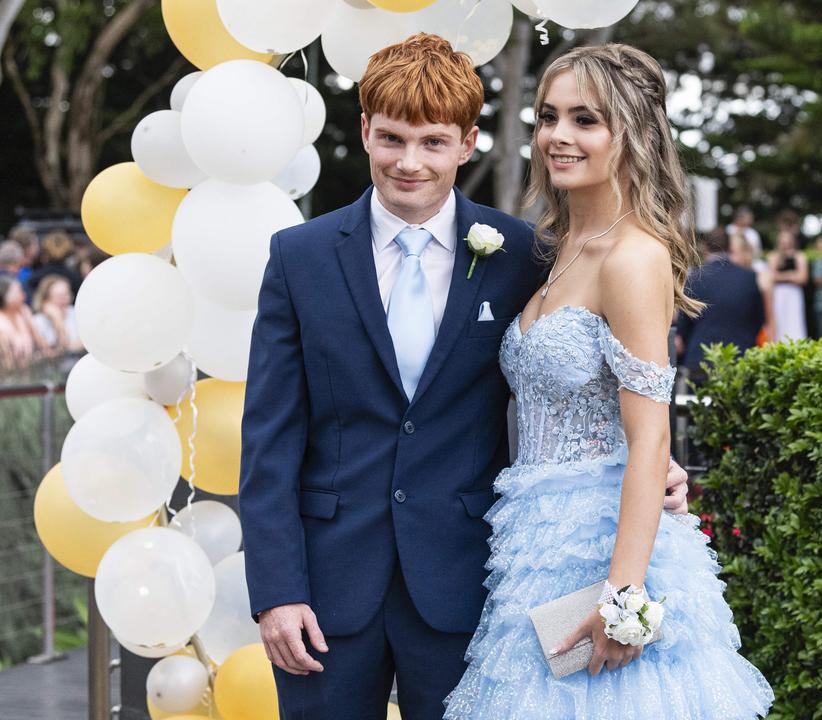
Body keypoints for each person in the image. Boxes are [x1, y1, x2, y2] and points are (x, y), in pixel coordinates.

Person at [238, 34, 692, 720]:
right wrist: (276, 590)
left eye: (432, 142)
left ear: (469, 141)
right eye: (390, 139)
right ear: (364, 131)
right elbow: (267, 437)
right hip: (324, 593)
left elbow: (591, 376)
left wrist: (653, 459)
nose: (409, 163)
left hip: (472, 583)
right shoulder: (298, 257)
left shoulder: (525, 256)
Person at [442, 44, 772, 719]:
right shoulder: (555, 248)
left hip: (606, 546)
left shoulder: (633, 256)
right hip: (531, 543)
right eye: (548, 117)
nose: (558, 136)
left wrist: (624, 599)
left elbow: (650, 438)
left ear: (633, 134)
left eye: (585, 120)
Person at [674, 228, 766, 382]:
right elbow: (760, 320)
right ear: (730, 247)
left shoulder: (695, 278)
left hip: (701, 360)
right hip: (741, 359)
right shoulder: (750, 278)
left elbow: (683, 325)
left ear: (705, 249)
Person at [766, 227, 808, 341]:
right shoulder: (773, 256)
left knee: (794, 320)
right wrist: (791, 275)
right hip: (778, 294)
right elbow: (771, 276)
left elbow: (803, 277)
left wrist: (781, 276)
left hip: (793, 294)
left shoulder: (799, 256)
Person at [0, 276, 45, 370]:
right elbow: (7, 363)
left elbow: (41, 344)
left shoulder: (24, 311)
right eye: (19, 292)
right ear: (5, 297)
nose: (24, 295)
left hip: (30, 368)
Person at [31, 275, 83, 353]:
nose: (64, 299)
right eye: (59, 296)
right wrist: (57, 319)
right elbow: (51, 352)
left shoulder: (75, 313)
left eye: (66, 294)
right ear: (46, 300)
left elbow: (82, 344)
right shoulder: (37, 321)